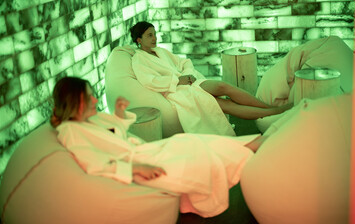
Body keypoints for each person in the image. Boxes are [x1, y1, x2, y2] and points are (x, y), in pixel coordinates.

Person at [51, 76, 264, 217]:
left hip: (144, 153)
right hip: (139, 166)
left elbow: (115, 135)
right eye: (89, 96)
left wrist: (118, 115)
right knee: (195, 153)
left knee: (190, 141)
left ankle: (255, 144)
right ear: (75, 101)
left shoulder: (87, 120)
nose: (95, 100)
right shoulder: (70, 132)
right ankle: (256, 149)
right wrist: (136, 168)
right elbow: (94, 163)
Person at [130, 21, 292, 136]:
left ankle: (268, 108)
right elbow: (148, 81)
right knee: (224, 105)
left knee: (222, 86)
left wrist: (187, 74)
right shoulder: (139, 59)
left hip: (188, 83)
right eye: (150, 35)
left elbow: (184, 62)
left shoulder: (161, 51)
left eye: (155, 34)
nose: (154, 38)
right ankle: (273, 111)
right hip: (176, 91)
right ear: (139, 40)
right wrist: (178, 81)